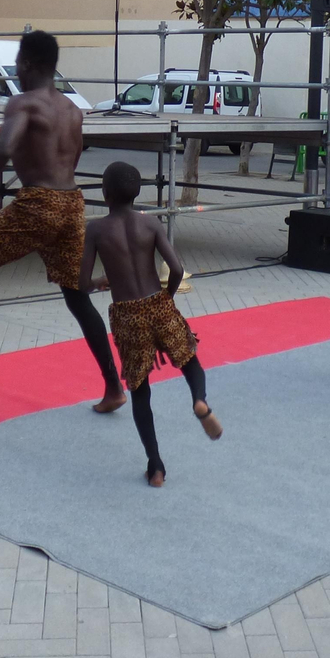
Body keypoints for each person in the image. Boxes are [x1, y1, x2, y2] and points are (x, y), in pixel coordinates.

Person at [0, 30, 127, 409]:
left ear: (25, 64)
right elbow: (64, 159)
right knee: (77, 297)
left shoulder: (21, 102)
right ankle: (113, 387)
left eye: (17, 67)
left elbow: (4, 151)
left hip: (38, 204)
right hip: (72, 203)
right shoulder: (74, 111)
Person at [81, 162, 219, 487]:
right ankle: (199, 400)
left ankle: (155, 467)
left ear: (105, 193)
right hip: (159, 305)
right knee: (190, 361)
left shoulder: (96, 230)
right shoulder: (151, 224)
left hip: (128, 316)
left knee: (140, 392)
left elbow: (83, 282)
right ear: (137, 192)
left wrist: (105, 280)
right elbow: (175, 267)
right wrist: (167, 299)